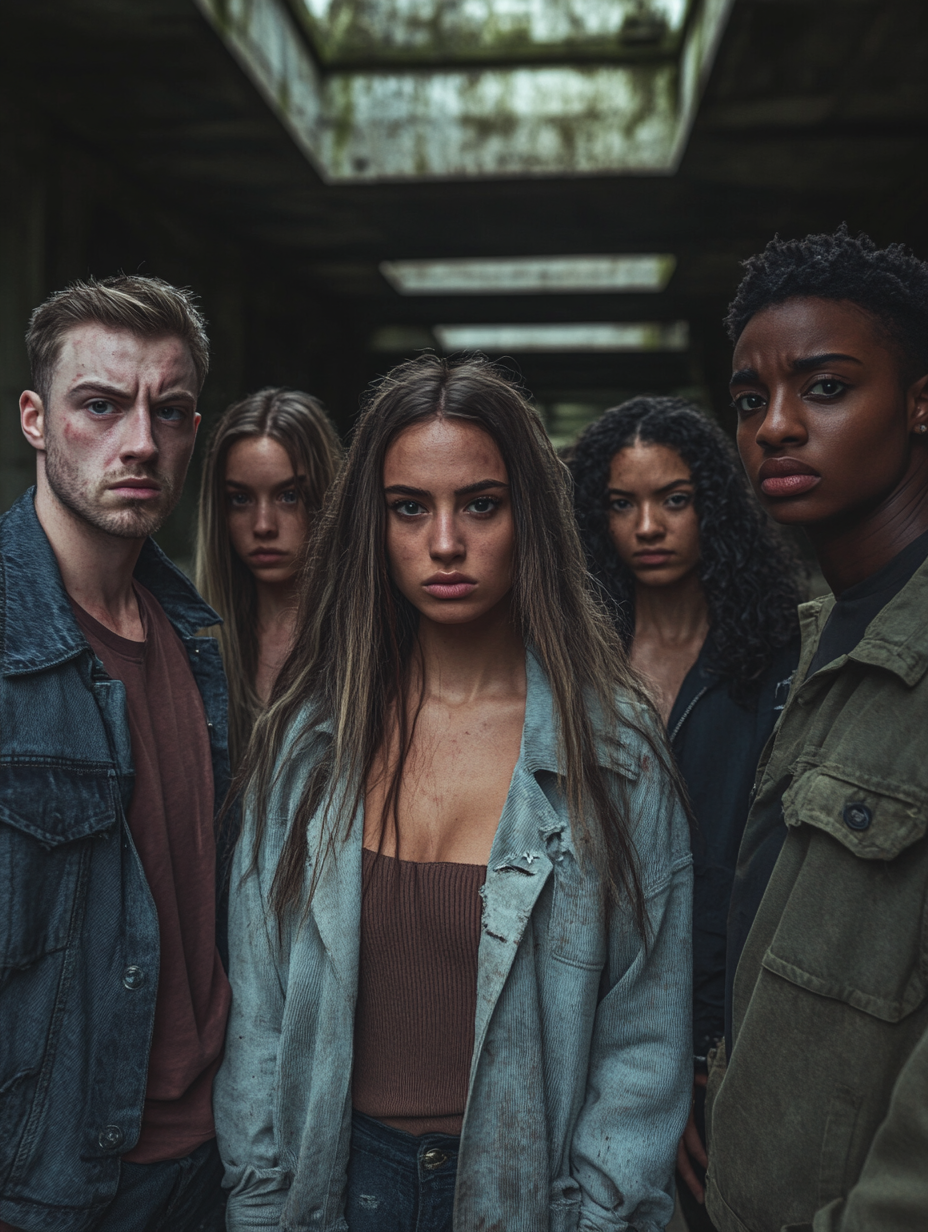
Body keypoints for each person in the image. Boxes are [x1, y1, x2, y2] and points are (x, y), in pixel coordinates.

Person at [214, 355, 694, 1232]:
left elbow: (644, 1040)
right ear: (373, 524)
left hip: (525, 1196)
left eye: (480, 504)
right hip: (339, 1189)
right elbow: (259, 1016)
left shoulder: (613, 753)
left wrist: (599, 1218)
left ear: (529, 519)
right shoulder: (308, 744)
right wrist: (258, 1203)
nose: (444, 542)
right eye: (409, 508)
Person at [705, 226, 928, 1231]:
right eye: (750, 399)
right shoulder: (819, 639)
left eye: (825, 388)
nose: (774, 427)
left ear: (919, 400)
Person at [0, 276, 231, 1232]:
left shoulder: (197, 640)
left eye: (169, 412)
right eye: (101, 405)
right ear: (36, 420)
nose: (141, 443)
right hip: (48, 1179)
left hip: (213, 1158)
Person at [569, 397, 803, 1230]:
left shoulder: (777, 662)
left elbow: (767, 879)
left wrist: (718, 1060)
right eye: (622, 503)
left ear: (713, 504)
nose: (649, 526)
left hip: (725, 1032)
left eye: (674, 498)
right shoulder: (568, 660)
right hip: (587, 1019)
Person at [194, 387, 341, 766]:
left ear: (325, 497)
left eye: (288, 496)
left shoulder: (369, 641)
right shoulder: (193, 649)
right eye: (240, 499)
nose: (263, 526)